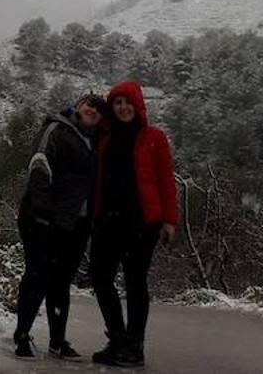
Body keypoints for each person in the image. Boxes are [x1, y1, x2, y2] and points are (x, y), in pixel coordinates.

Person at [88, 79, 178, 368]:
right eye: (117, 102)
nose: (123, 107)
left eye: (128, 102)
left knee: (135, 282)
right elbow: (80, 115)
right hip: (107, 220)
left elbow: (166, 180)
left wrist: (170, 219)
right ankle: (118, 339)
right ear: (111, 107)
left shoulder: (154, 137)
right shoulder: (104, 137)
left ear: (138, 106)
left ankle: (135, 347)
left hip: (142, 222)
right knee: (101, 277)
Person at [12, 93, 108, 360]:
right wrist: (42, 211)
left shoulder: (97, 142)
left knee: (61, 281)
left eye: (100, 110)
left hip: (75, 224)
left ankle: (57, 341)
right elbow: (39, 164)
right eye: (90, 105)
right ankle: (21, 335)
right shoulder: (57, 129)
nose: (94, 111)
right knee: (37, 275)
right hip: (43, 218)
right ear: (78, 105)